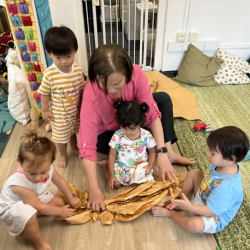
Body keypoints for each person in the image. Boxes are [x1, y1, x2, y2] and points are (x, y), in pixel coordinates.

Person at [79, 44, 194, 212]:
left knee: (163, 99)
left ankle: (168, 152)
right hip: (109, 134)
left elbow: (152, 115)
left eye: (117, 83)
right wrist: (94, 189)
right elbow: (86, 146)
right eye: (104, 84)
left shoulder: (137, 74)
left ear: (127, 73)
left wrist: (160, 152)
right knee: (133, 150)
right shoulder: (91, 93)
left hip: (133, 122)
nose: (111, 90)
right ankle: (108, 165)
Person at [151, 126, 249, 234]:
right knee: (194, 173)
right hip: (205, 197)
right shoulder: (219, 164)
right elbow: (206, 182)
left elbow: (211, 211)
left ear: (230, 159)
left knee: (194, 224)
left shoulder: (226, 189)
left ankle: (170, 213)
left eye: (213, 153)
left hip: (212, 214)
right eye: (209, 150)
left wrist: (189, 207)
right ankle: (180, 200)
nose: (208, 154)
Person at [0, 131, 80, 250]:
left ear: (50, 163)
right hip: (12, 206)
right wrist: (60, 211)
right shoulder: (19, 185)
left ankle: (33, 214)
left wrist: (71, 198)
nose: (38, 178)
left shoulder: (48, 168)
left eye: (43, 172)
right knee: (31, 216)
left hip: (34, 196)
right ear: (21, 164)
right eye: (32, 173)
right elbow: (41, 206)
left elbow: (60, 182)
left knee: (59, 203)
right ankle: (39, 242)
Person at [38, 26, 85, 168]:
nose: (64, 61)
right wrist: (45, 110)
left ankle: (74, 148)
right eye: (58, 57)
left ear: (75, 50)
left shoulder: (77, 69)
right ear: (49, 53)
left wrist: (82, 106)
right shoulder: (49, 74)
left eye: (69, 56)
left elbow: (82, 89)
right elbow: (44, 93)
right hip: (59, 117)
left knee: (73, 133)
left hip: (75, 113)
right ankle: (63, 155)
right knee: (61, 138)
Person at [106, 100, 156, 189]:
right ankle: (104, 167)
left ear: (140, 123)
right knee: (115, 184)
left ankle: (134, 181)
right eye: (124, 128)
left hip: (140, 167)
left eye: (132, 129)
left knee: (144, 184)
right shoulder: (117, 135)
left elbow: (152, 151)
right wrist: (111, 175)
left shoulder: (146, 135)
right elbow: (112, 155)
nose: (128, 132)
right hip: (122, 167)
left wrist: (150, 165)